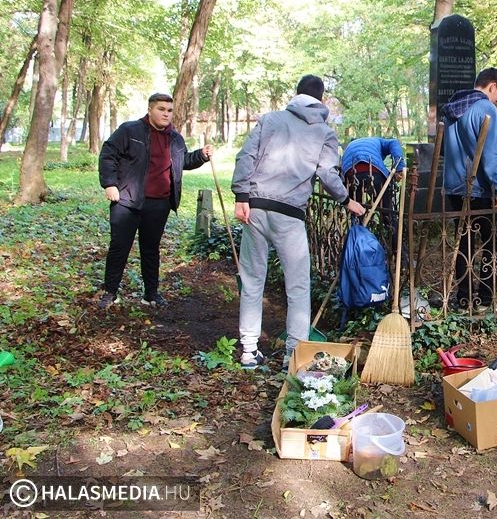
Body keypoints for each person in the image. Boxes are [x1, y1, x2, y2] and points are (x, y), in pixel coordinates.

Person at [232, 75, 365, 370]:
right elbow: (327, 174)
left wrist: (241, 195)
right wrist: (347, 200)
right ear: (321, 100)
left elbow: (246, 156)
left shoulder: (270, 119)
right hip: (290, 215)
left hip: (255, 208)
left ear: (296, 95)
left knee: (252, 280)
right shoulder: (324, 133)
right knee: (298, 286)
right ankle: (292, 355)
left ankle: (249, 351)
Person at [98, 93, 212, 309]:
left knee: (151, 249)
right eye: (161, 109)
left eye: (169, 110)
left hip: (159, 204)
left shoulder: (175, 138)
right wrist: (110, 184)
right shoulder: (130, 131)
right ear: (150, 110)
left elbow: (183, 161)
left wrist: (201, 155)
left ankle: (151, 294)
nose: (166, 114)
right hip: (127, 201)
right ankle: (110, 292)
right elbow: (108, 154)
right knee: (119, 247)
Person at [442, 67, 497, 312]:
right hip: (479, 187)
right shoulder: (486, 108)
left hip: (454, 186)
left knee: (464, 242)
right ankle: (486, 300)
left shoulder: (454, 107)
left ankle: (464, 299)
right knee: (492, 242)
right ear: (492, 86)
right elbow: (489, 155)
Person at [341, 137, 405, 254]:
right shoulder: (379, 141)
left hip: (351, 172)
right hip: (373, 169)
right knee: (388, 213)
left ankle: (358, 249)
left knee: (356, 213)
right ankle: (399, 252)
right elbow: (394, 143)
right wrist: (399, 166)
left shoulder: (350, 145)